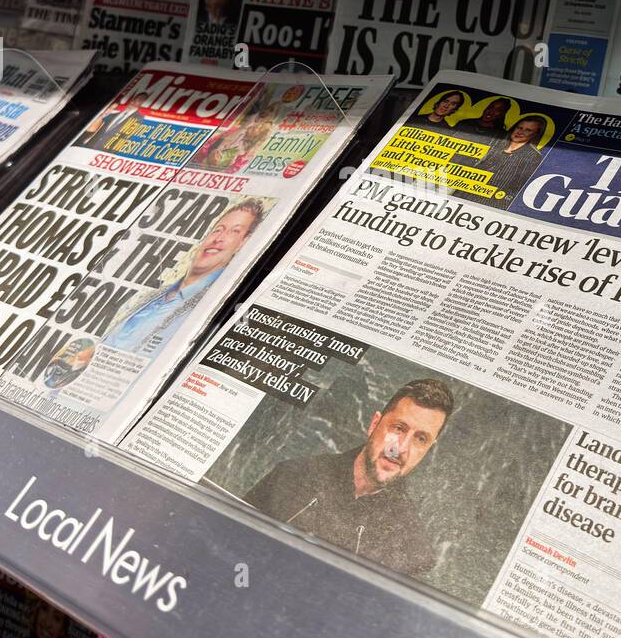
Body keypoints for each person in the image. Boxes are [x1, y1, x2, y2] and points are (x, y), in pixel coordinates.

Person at [244, 379, 455, 578]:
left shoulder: (412, 548)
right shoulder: (292, 475)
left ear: (427, 450)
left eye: (420, 439)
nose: (400, 449)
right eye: (398, 428)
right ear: (374, 424)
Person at [105, 200, 265, 354]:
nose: (218, 238)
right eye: (217, 229)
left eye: (234, 231)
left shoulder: (218, 304)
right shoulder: (153, 295)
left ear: (244, 242)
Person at [470, 115, 548, 205]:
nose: (520, 132)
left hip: (492, 202)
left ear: (535, 135)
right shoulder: (495, 144)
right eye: (519, 127)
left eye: (528, 130)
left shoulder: (532, 156)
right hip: (467, 193)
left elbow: (518, 187)